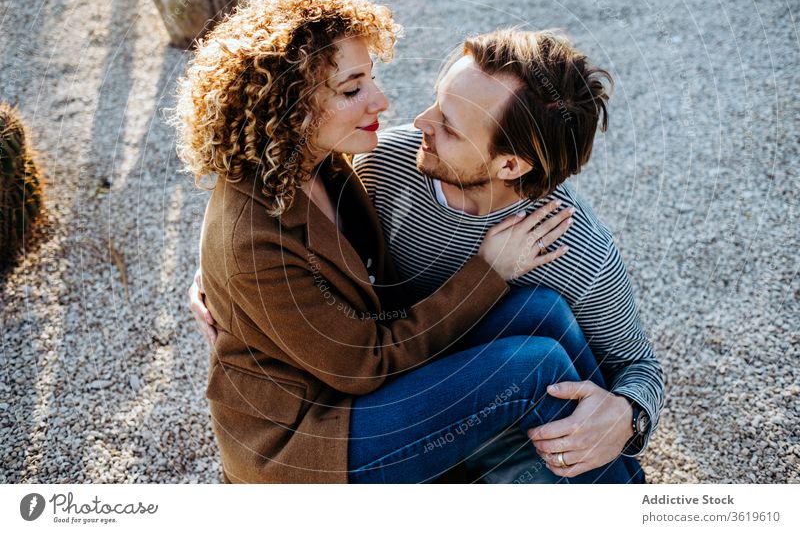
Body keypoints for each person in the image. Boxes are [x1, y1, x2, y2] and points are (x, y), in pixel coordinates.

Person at [190, 26, 664, 483]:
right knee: (531, 364)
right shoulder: (387, 162)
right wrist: (221, 280)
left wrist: (627, 417)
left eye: (451, 127)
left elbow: (639, 365)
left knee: (543, 313)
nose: (418, 123)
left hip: (386, 374)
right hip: (313, 436)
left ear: (510, 164)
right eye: (437, 101)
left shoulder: (575, 247)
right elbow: (265, 235)